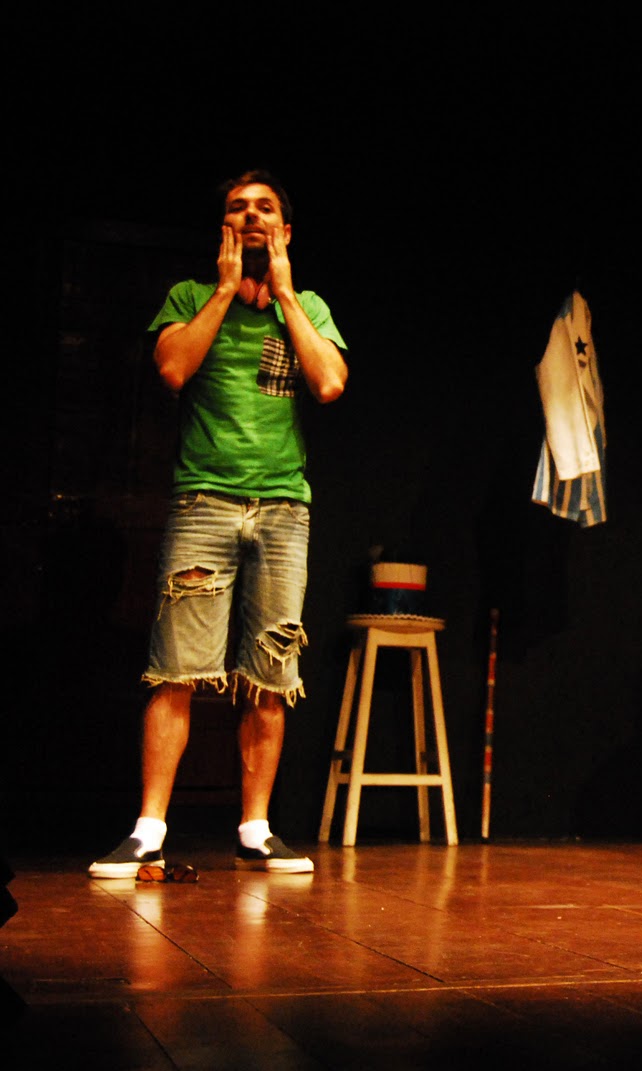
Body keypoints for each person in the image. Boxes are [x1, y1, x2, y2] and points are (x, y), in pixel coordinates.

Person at [89, 170, 348, 878]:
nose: (252, 216)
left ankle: (255, 829)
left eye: (266, 209)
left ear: (285, 231)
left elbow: (329, 383)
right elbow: (173, 369)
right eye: (239, 208)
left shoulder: (308, 307)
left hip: (283, 510)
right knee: (175, 668)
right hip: (204, 503)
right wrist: (228, 289)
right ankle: (148, 830)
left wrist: (285, 295)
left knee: (270, 673)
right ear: (225, 228)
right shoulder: (190, 297)